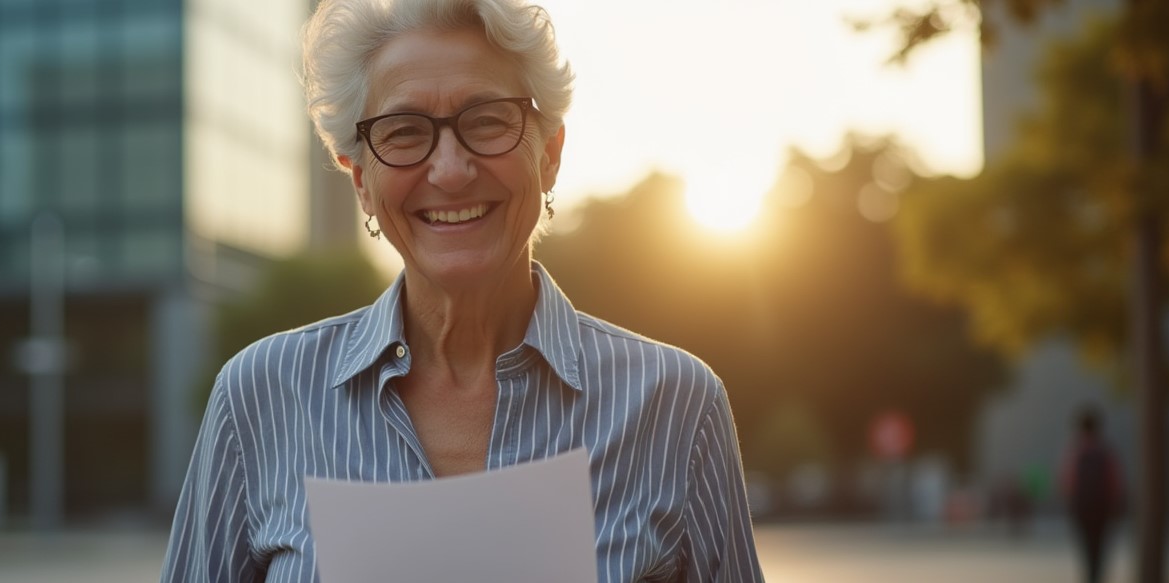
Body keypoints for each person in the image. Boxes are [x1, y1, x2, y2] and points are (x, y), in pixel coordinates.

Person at [162, 0, 764, 580]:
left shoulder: (678, 406)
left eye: (487, 121)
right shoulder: (259, 397)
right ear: (361, 181)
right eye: (402, 132)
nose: (450, 170)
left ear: (549, 153)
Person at [1060, 406, 1124, 583]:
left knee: (1086, 547)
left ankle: (1090, 576)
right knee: (1100, 546)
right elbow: (1115, 482)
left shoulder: (1076, 452)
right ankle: (1097, 575)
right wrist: (1115, 505)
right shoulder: (1106, 452)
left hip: (1082, 508)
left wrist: (1070, 503)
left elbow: (1068, 482)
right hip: (1102, 508)